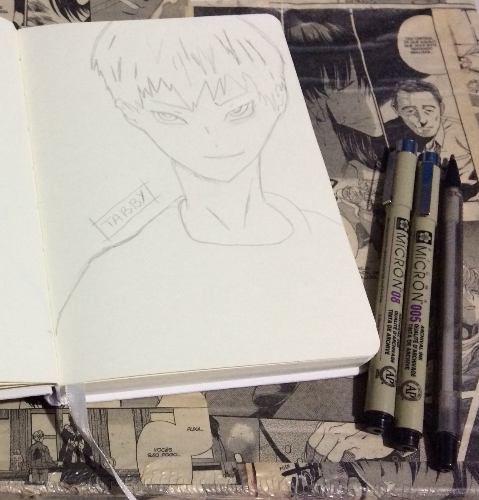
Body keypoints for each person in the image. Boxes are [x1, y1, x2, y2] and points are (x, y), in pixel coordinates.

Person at [390, 79, 478, 199]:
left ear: (441, 108)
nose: (422, 120)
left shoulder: (460, 132)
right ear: (397, 111)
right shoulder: (407, 141)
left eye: (429, 110)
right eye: (410, 111)